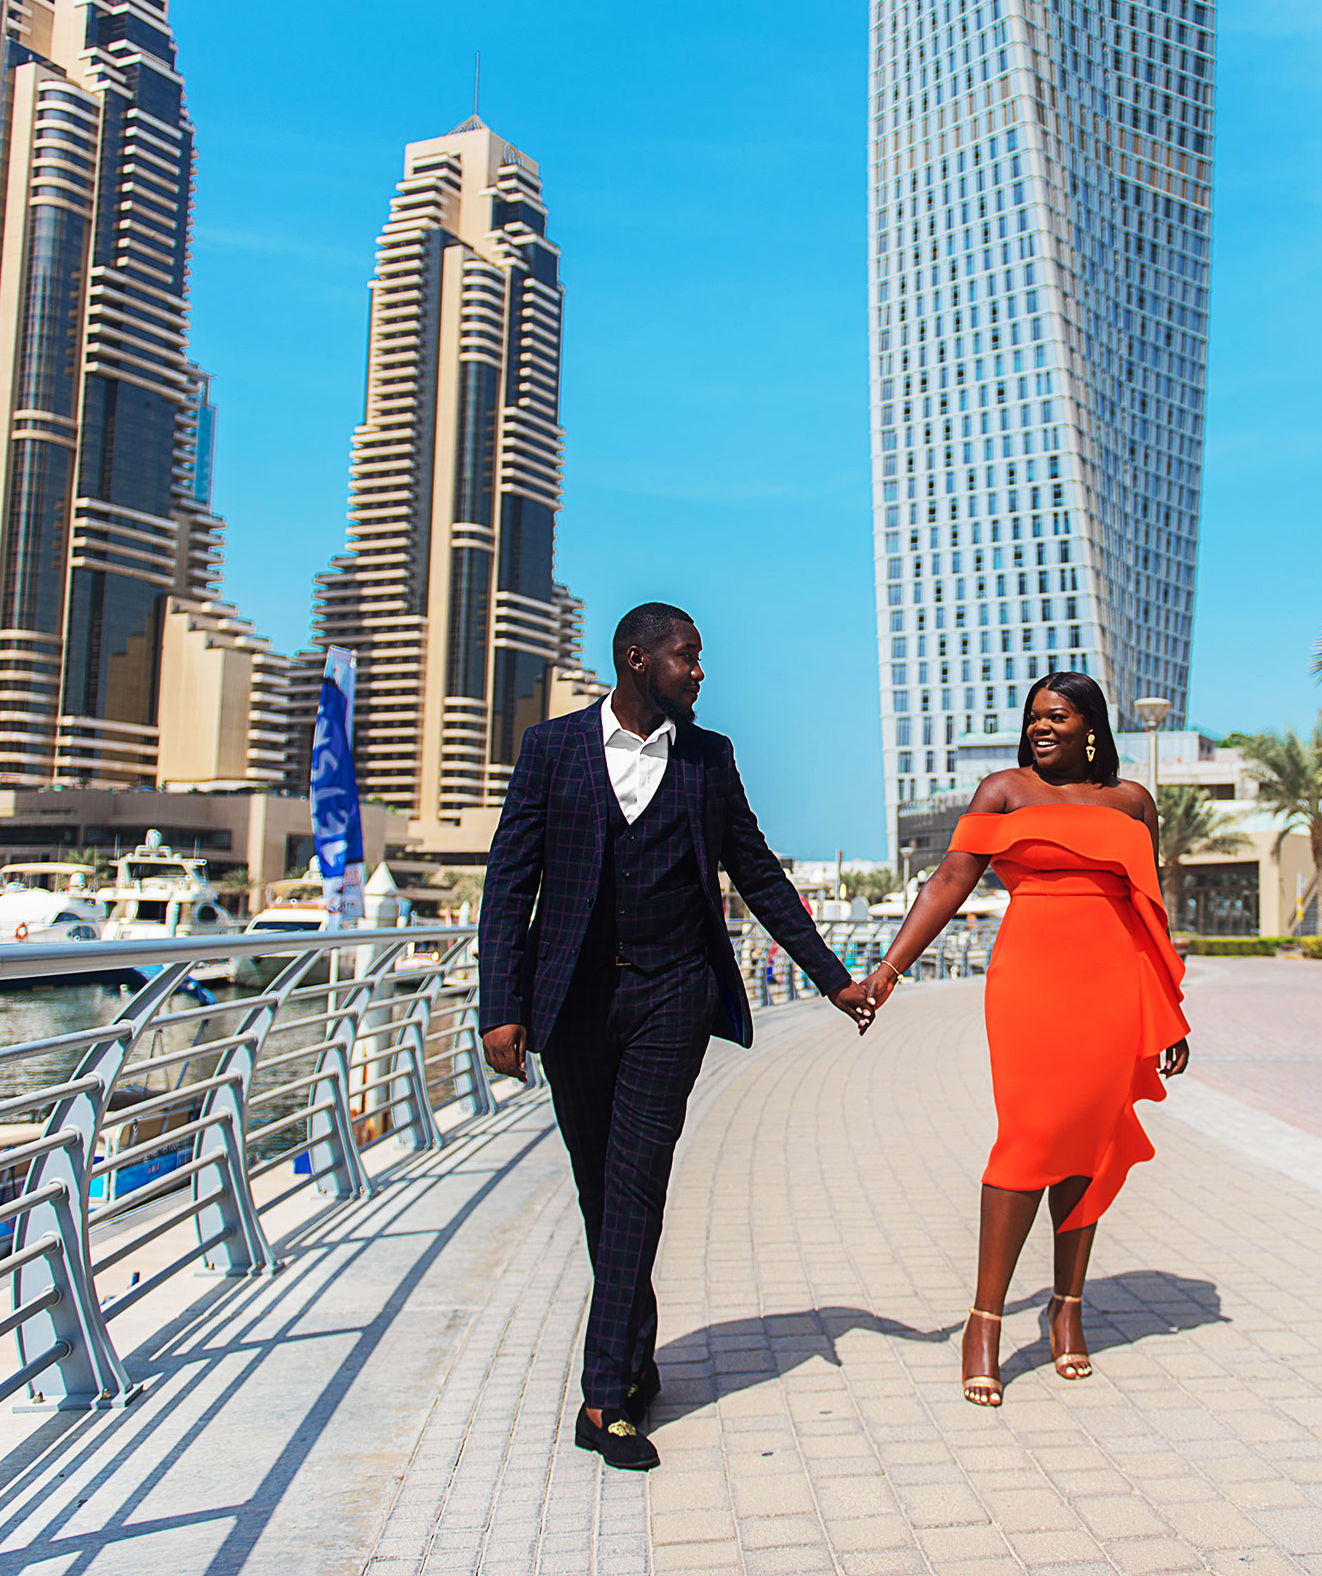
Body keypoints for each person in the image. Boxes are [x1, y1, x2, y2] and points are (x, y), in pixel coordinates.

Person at [477, 603, 877, 1471]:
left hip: (672, 998)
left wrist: (833, 978)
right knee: (601, 1191)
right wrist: (499, 1005)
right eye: (686, 657)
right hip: (573, 1005)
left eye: (697, 659)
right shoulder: (551, 750)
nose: (699, 672)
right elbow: (508, 883)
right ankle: (634, 1352)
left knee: (638, 1182)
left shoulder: (708, 758)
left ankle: (602, 1399)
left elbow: (760, 876)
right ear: (636, 658)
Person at [861, 671, 1189, 1404]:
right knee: (1030, 1136)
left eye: (1058, 717)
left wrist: (1167, 1006)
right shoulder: (1003, 791)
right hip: (1032, 980)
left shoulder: (1132, 801)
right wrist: (887, 969)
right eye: (1035, 716)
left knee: (1089, 1138)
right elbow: (948, 882)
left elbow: (1150, 907)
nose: (1041, 727)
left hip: (1113, 983)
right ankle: (984, 1320)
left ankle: (1066, 1308)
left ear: (1091, 728)